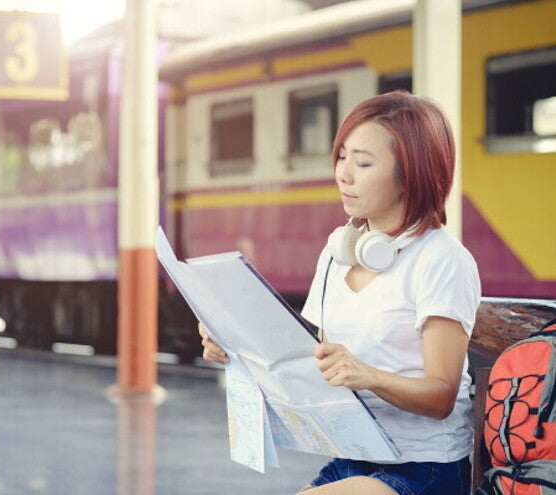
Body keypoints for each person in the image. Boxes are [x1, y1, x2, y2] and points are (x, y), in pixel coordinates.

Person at [198, 90, 481, 495]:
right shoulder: (338, 254)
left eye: (363, 162)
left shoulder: (442, 260)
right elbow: (310, 359)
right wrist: (236, 348)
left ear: (411, 175)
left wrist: (367, 375)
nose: (343, 174)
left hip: (426, 468)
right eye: (343, 156)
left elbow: (440, 396)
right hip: (357, 455)